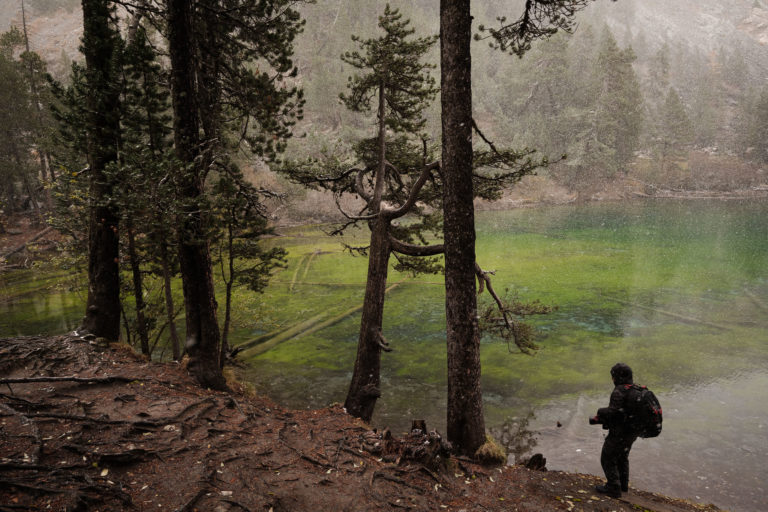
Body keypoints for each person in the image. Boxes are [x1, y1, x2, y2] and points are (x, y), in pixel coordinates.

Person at [590, 362, 638, 498]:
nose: (612, 379)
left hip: (619, 433)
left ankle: (613, 488)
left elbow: (613, 412)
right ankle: (623, 486)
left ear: (617, 377)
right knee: (623, 457)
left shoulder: (619, 390)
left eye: (613, 376)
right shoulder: (635, 389)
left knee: (607, 458)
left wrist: (600, 412)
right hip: (633, 432)